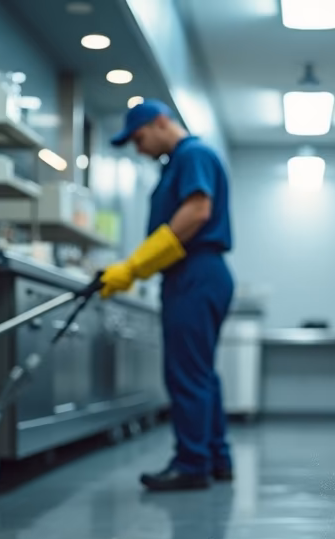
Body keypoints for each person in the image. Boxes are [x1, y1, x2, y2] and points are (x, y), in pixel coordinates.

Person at [95, 99, 234, 492]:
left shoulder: (193, 154)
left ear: (160, 123)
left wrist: (135, 266)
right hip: (198, 273)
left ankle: (192, 464)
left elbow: (196, 212)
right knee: (201, 372)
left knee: (186, 373)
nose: (138, 149)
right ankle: (215, 457)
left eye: (139, 139)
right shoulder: (181, 161)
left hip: (195, 272)